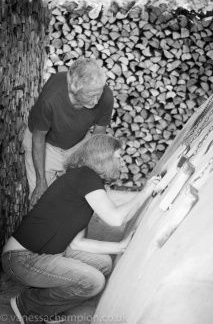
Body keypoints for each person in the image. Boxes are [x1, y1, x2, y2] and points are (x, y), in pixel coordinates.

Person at [1, 134, 160, 323]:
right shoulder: (86, 177)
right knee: (93, 282)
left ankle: (44, 290)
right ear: (104, 158)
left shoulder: (85, 180)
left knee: (104, 263)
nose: (123, 163)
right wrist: (145, 192)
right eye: (118, 157)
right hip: (21, 258)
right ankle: (27, 306)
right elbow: (115, 218)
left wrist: (119, 247)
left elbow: (76, 243)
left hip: (48, 253)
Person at [23, 57, 114, 207]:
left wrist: (92, 171)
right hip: (45, 144)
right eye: (91, 95)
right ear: (74, 89)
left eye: (99, 93)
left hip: (78, 142)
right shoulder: (51, 99)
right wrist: (41, 182)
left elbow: (98, 136)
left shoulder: (105, 96)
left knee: (78, 201)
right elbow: (38, 138)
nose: (96, 101)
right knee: (41, 203)